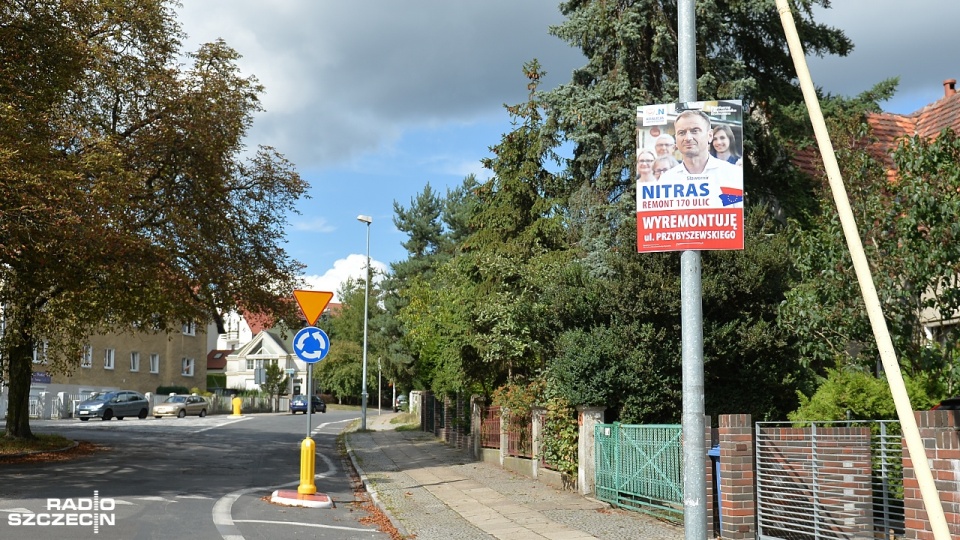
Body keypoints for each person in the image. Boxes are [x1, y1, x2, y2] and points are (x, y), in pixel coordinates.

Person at [657, 109, 741, 203]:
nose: (688, 138)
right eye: (682, 133)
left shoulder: (732, 174)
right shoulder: (667, 179)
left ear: (709, 136)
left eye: (695, 131)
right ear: (676, 139)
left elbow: (736, 214)